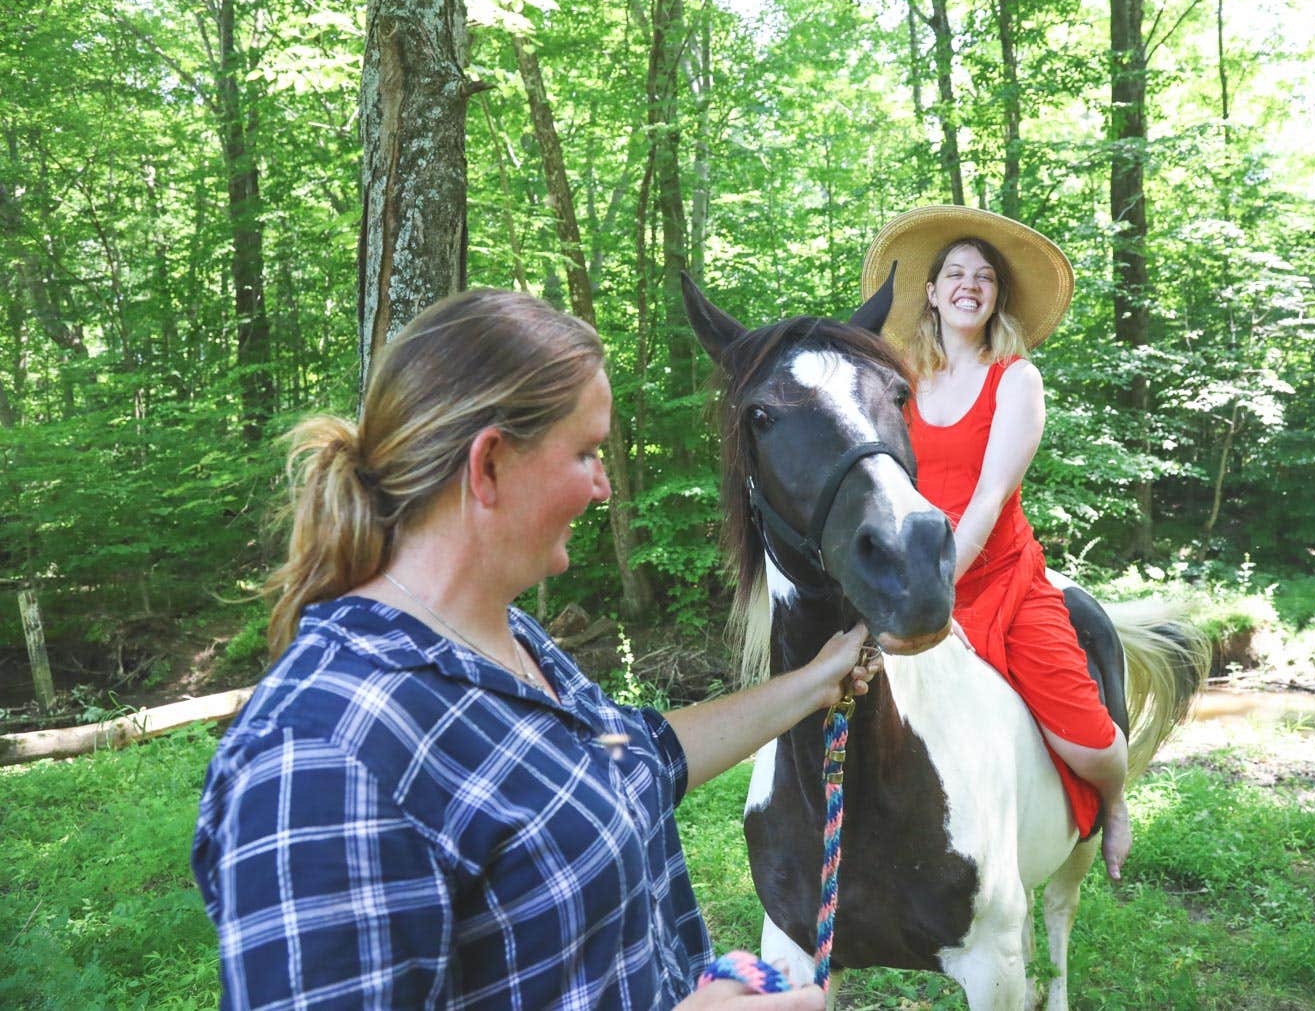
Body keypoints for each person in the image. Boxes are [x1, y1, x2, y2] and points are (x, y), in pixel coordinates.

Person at [192, 288, 876, 1009]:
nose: (606, 487)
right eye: (586, 452)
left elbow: (634, 759)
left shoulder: (507, 639)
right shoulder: (323, 761)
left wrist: (814, 681)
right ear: (488, 464)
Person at [858, 206, 1133, 881]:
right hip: (912, 580)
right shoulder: (902, 384)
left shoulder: (1017, 379)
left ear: (996, 296)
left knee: (1087, 739)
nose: (968, 284)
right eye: (955, 272)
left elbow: (987, 497)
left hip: (999, 577)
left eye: (983, 276)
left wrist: (938, 583)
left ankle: (1119, 800)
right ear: (931, 290)